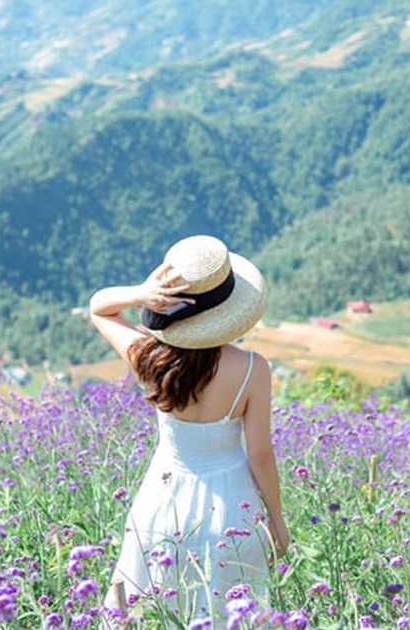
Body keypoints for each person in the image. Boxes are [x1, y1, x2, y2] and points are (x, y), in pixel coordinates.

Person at [88, 235, 290, 624]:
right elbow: (261, 454)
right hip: (233, 510)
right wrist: (277, 521)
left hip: (161, 507)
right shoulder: (252, 369)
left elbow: (100, 308)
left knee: (153, 614)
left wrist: (142, 294)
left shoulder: (149, 359)